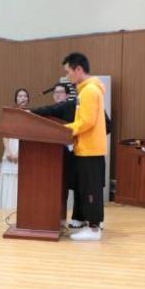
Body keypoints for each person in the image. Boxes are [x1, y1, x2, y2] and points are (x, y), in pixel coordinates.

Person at [61, 53, 107, 241]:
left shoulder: (89, 91)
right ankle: (91, 225)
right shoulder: (86, 90)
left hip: (90, 149)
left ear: (78, 69)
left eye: (68, 72)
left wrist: (65, 129)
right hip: (87, 148)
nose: (67, 76)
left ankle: (93, 229)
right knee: (88, 188)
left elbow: (86, 121)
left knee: (90, 190)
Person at [31, 82, 84, 228]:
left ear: (67, 95)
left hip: (75, 153)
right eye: (55, 92)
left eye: (60, 92)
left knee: (77, 186)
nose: (57, 95)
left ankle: (79, 217)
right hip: (53, 155)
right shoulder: (50, 111)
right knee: (58, 186)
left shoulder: (74, 107)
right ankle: (56, 217)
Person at [0, 87, 30, 211]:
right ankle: (6, 208)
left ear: (28, 99)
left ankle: (20, 209)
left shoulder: (31, 114)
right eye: (20, 96)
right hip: (10, 147)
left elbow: (29, 135)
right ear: (16, 99)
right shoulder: (10, 113)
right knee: (8, 176)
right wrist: (8, 151)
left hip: (24, 148)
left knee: (21, 178)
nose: (23, 98)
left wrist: (19, 153)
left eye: (25, 96)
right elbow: (5, 134)